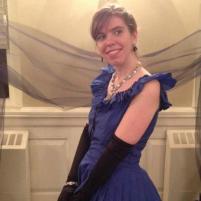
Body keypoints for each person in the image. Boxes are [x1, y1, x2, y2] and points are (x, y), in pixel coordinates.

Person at [58, 4, 176, 201]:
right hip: (88, 177)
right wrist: (70, 183)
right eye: (101, 37)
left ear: (134, 35)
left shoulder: (148, 87)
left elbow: (116, 150)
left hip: (118, 187)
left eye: (117, 31)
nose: (109, 41)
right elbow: (89, 133)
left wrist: (83, 195)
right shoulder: (105, 80)